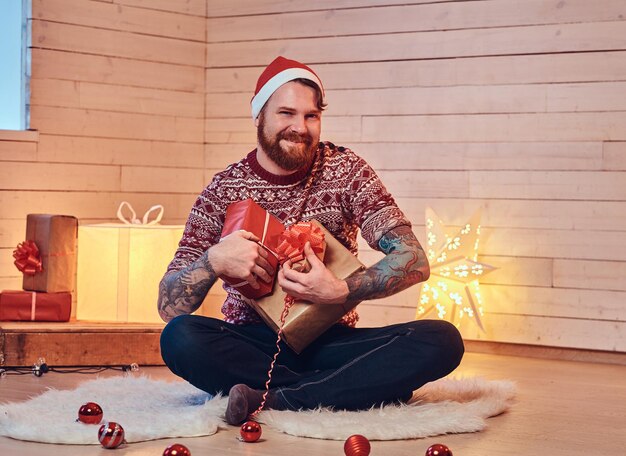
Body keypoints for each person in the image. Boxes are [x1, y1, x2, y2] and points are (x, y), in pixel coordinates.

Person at [158, 56, 464, 425]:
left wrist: (341, 290)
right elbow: (168, 307)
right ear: (259, 116)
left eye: (311, 116)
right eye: (286, 113)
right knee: (179, 337)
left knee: (442, 339)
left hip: (333, 342)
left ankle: (283, 397)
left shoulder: (345, 171)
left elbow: (414, 259)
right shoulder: (223, 190)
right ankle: (345, 390)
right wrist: (214, 261)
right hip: (252, 346)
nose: (299, 127)